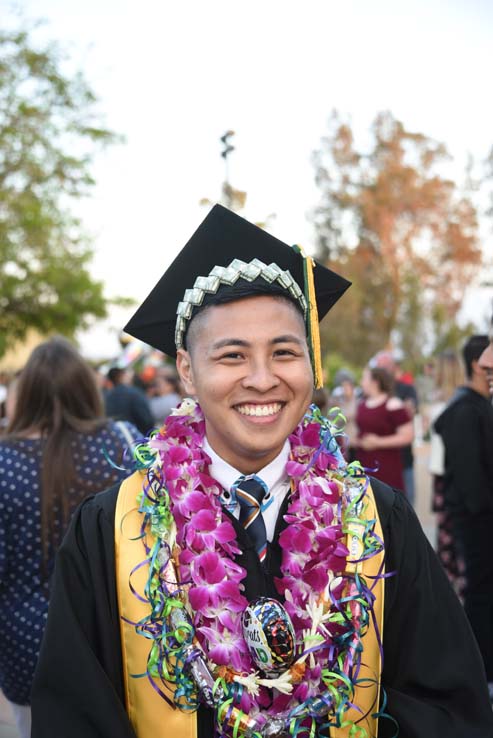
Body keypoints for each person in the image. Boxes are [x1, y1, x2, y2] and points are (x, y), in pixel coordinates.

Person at [31, 206, 493, 738]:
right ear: (187, 369)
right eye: (231, 356)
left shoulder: (374, 519)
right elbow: (74, 715)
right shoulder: (115, 529)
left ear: (310, 365)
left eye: (283, 352)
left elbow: (446, 703)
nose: (262, 378)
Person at [0, 337, 140, 738]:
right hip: (116, 635)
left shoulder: (4, 463)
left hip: (27, 642)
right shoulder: (123, 442)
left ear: (24, 395)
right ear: (85, 387)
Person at [434, 334, 493, 694]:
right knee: (480, 592)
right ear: (478, 364)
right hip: (477, 518)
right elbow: (471, 480)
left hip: (480, 514)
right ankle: (482, 670)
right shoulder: (464, 410)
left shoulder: (477, 405)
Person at [427, 351, 465, 598]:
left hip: (444, 472)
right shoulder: (462, 401)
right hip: (452, 470)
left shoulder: (442, 403)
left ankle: (450, 581)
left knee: (446, 530)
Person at [372, 351, 418, 506]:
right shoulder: (369, 393)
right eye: (380, 367)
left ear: (393, 367)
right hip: (377, 463)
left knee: (405, 507)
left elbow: (410, 412)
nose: (383, 370)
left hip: (403, 460)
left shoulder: (406, 389)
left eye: (386, 366)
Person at [355, 367, 413, 490]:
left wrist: (378, 442)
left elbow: (408, 436)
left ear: (375, 382)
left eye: (364, 378)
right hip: (365, 469)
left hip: (387, 470)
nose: (361, 382)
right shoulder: (361, 404)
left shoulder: (393, 404)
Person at [104, 365, 154, 435]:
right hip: (137, 437)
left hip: (116, 437)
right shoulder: (134, 393)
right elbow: (147, 420)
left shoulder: (106, 397)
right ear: (121, 376)